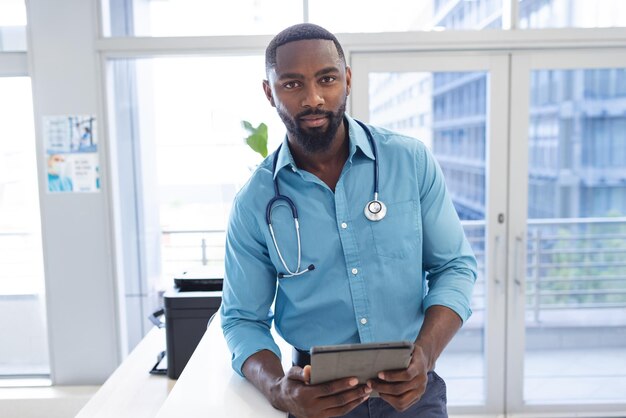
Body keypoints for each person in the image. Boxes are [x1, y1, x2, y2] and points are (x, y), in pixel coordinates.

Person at [221, 23, 477, 418]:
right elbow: (242, 319)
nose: (314, 98)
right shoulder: (255, 201)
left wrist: (424, 356)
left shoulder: (409, 162)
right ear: (269, 92)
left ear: (348, 79)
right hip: (316, 397)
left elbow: (454, 267)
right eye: (292, 84)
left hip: (412, 389)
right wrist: (277, 389)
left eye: (327, 78)